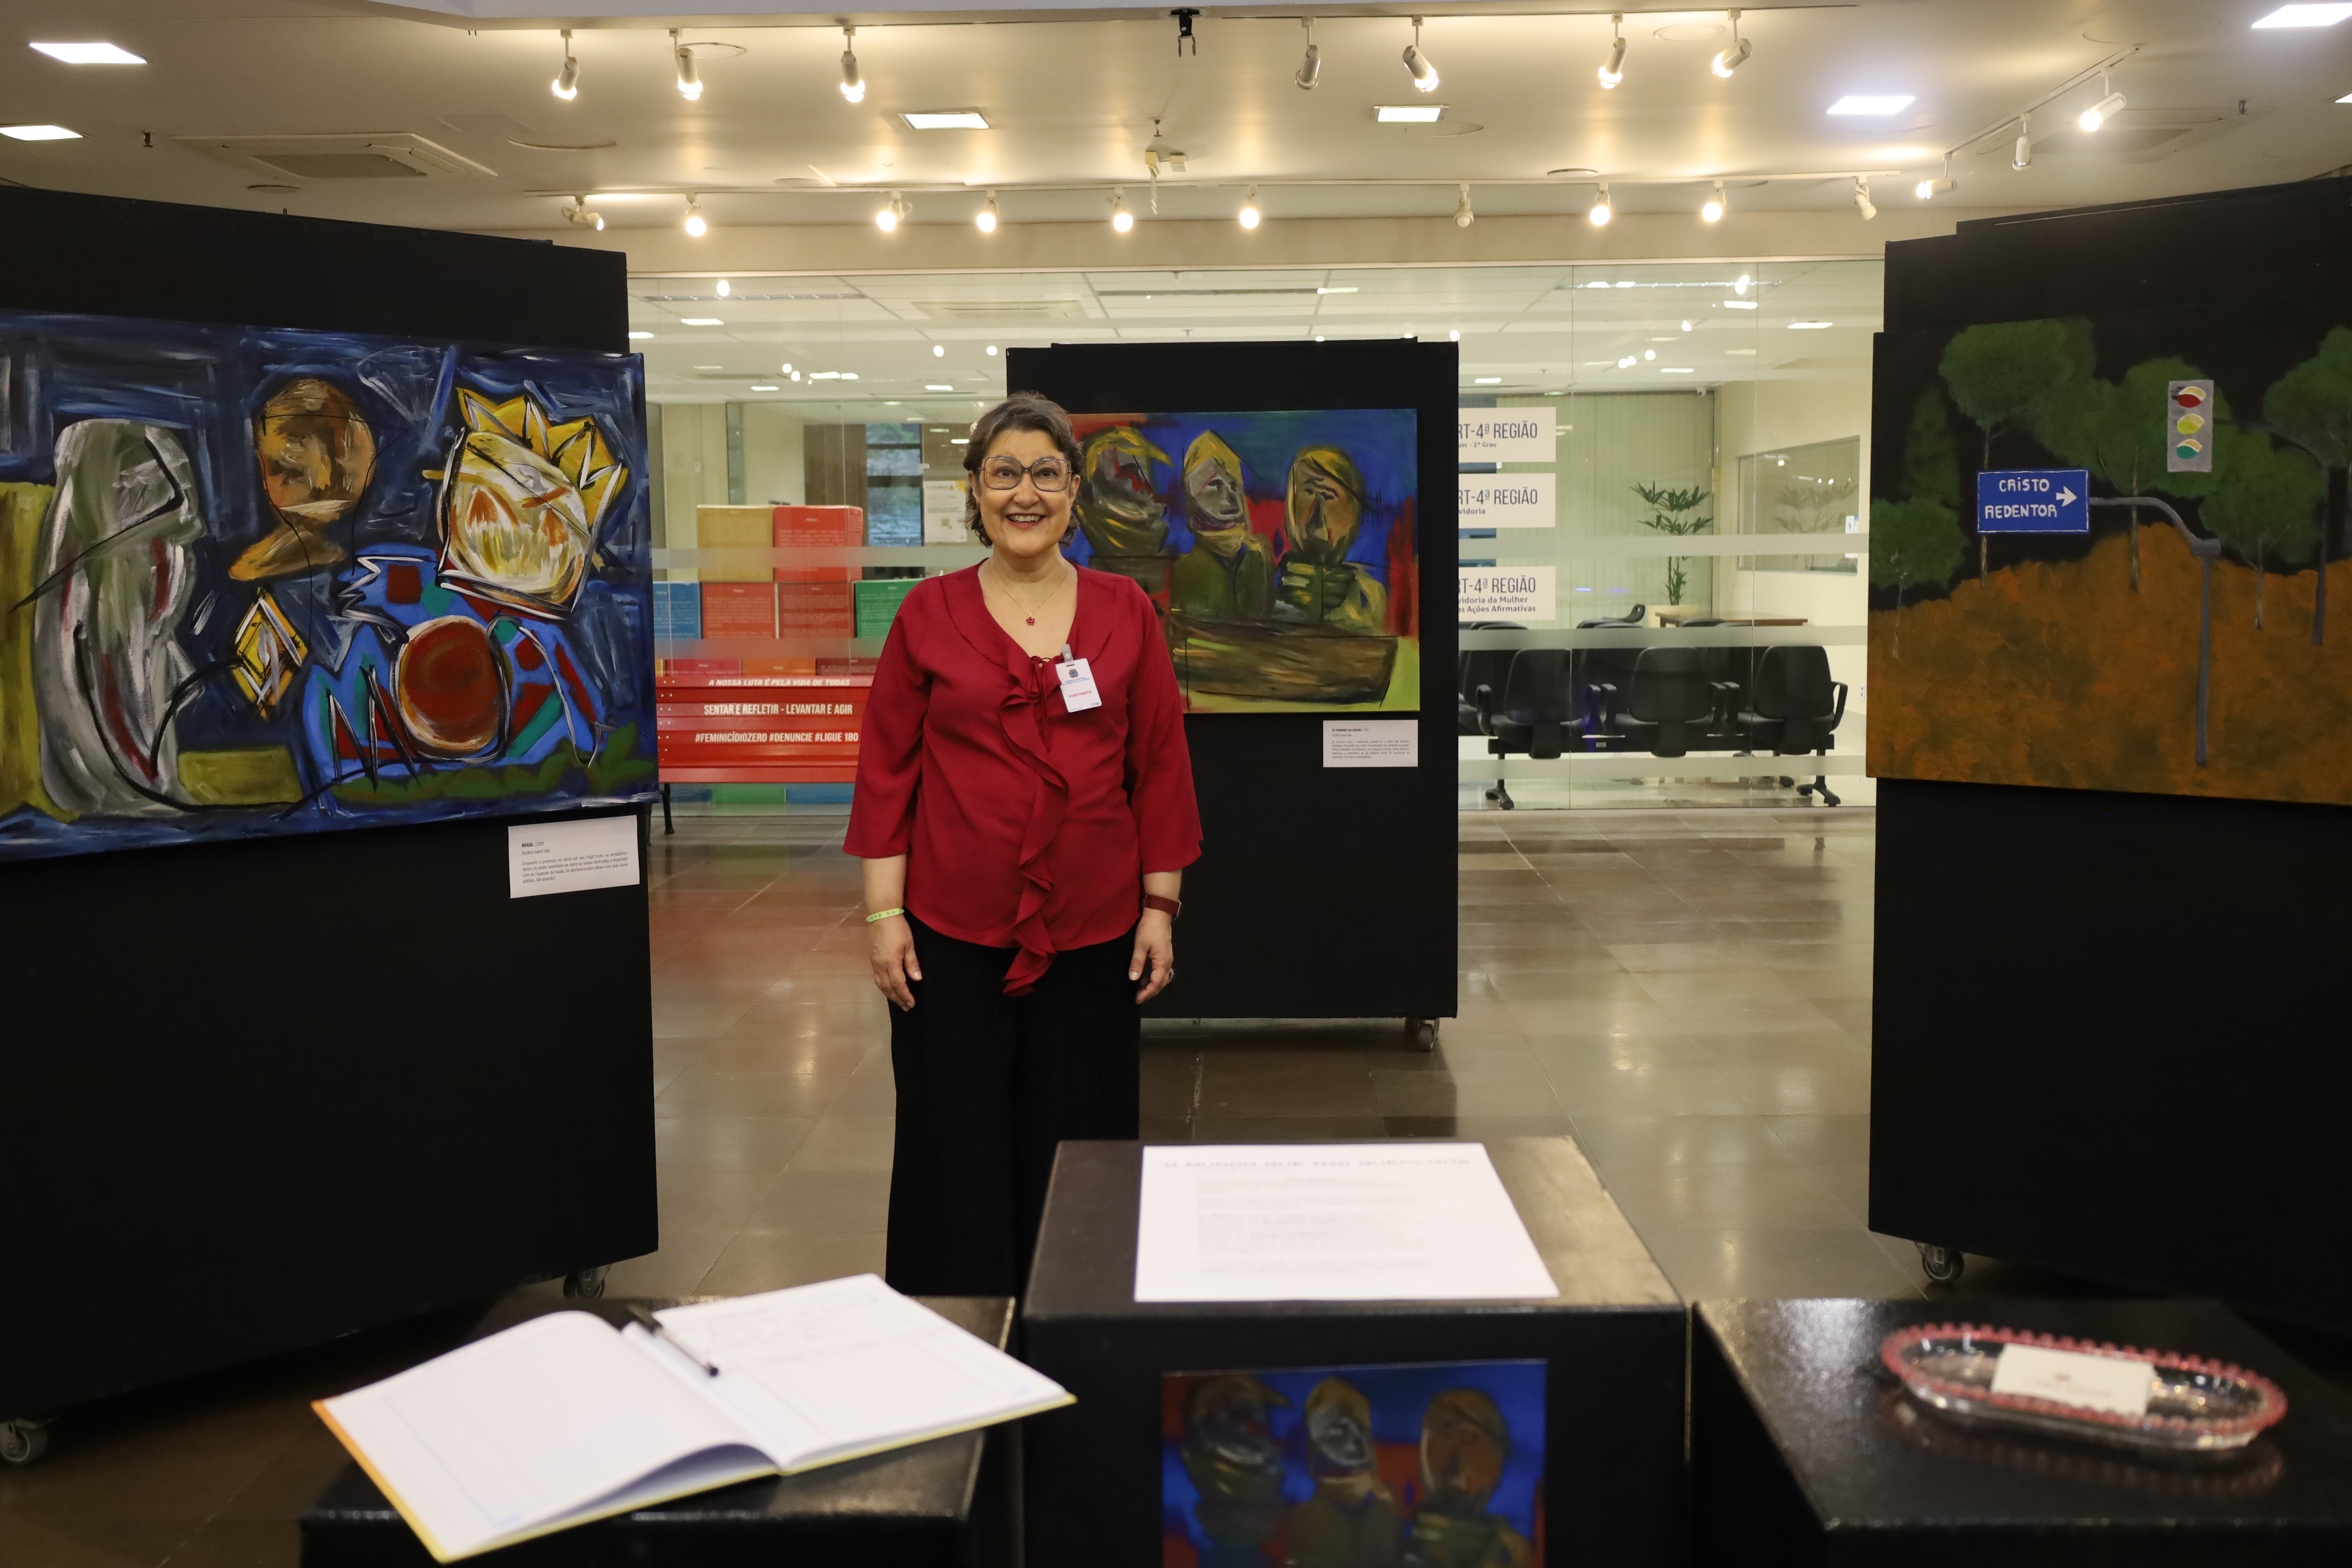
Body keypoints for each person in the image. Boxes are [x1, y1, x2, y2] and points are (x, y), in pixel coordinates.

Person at [845, 390, 1202, 1297]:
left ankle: (1076, 1321)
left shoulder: (1126, 612)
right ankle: (956, 1330)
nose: (1026, 493)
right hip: (949, 937)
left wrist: (1160, 907)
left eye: (1046, 472)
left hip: (1093, 935)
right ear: (975, 490)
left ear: (1075, 491)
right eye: (1005, 473)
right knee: (950, 1139)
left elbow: (1160, 768)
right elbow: (886, 773)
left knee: (1078, 1140)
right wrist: (885, 915)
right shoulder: (927, 614)